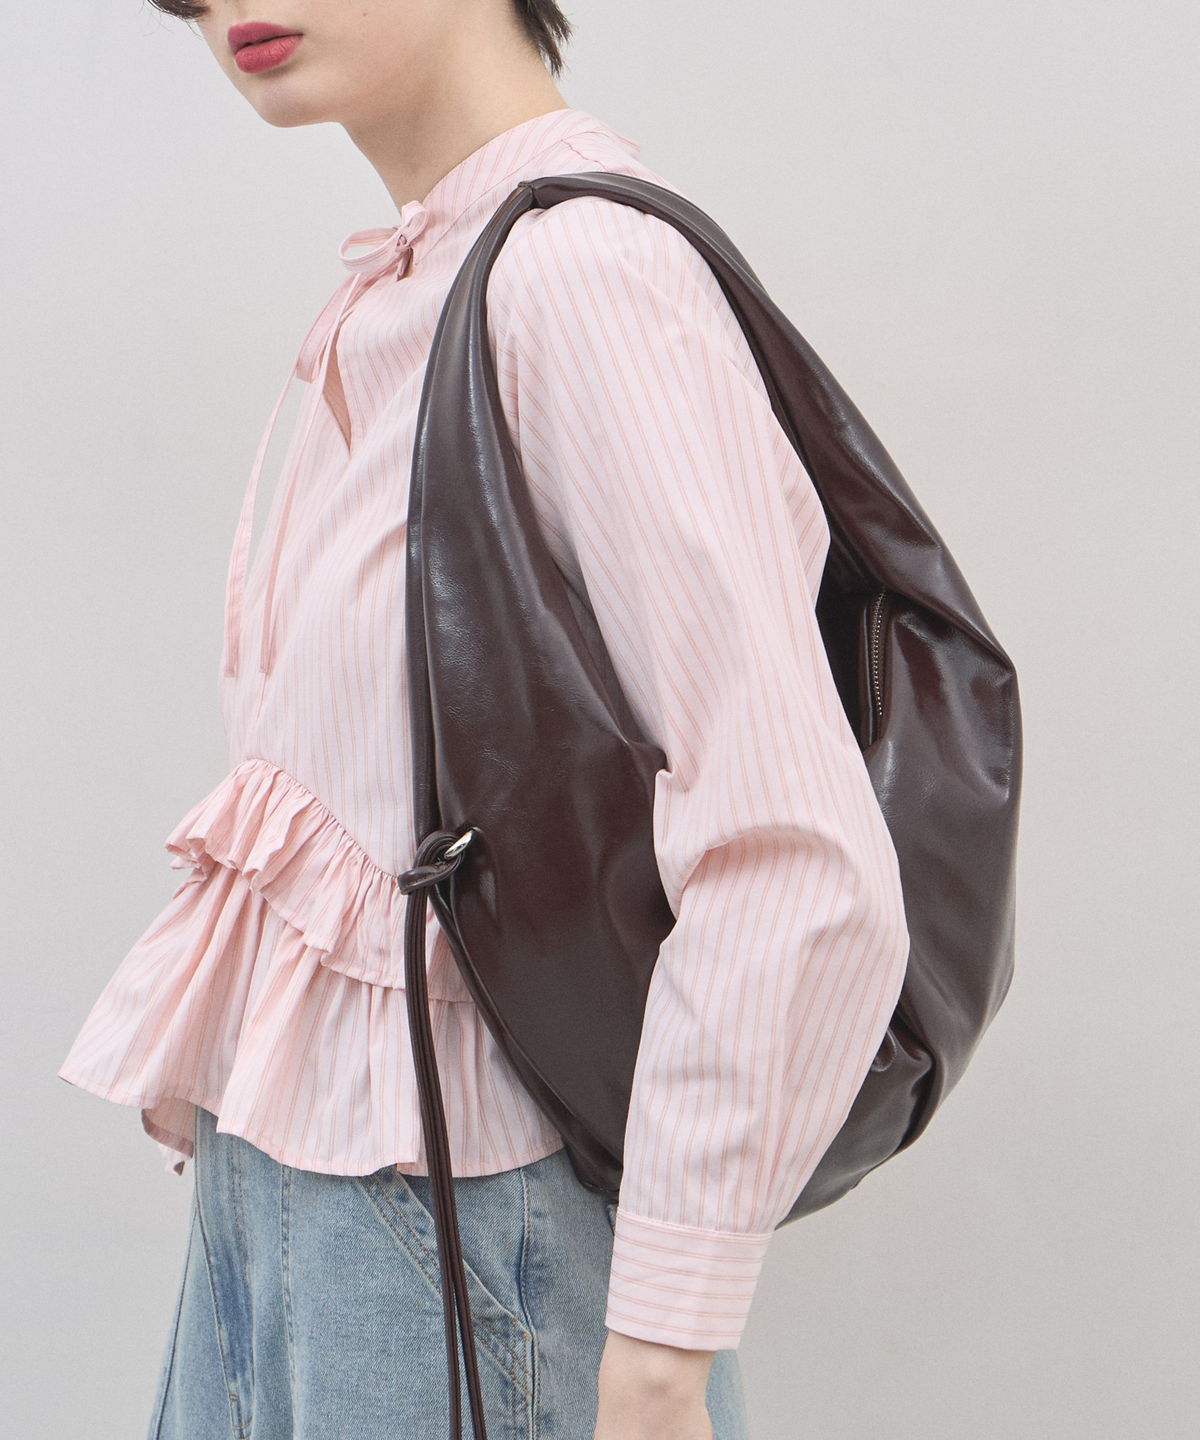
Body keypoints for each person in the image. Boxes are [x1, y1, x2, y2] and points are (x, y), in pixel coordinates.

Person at [57, 3, 911, 1438]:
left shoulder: (582, 276)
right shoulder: (431, 276)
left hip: (460, 1242)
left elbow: (789, 847)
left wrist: (660, 1354)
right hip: (295, 1214)